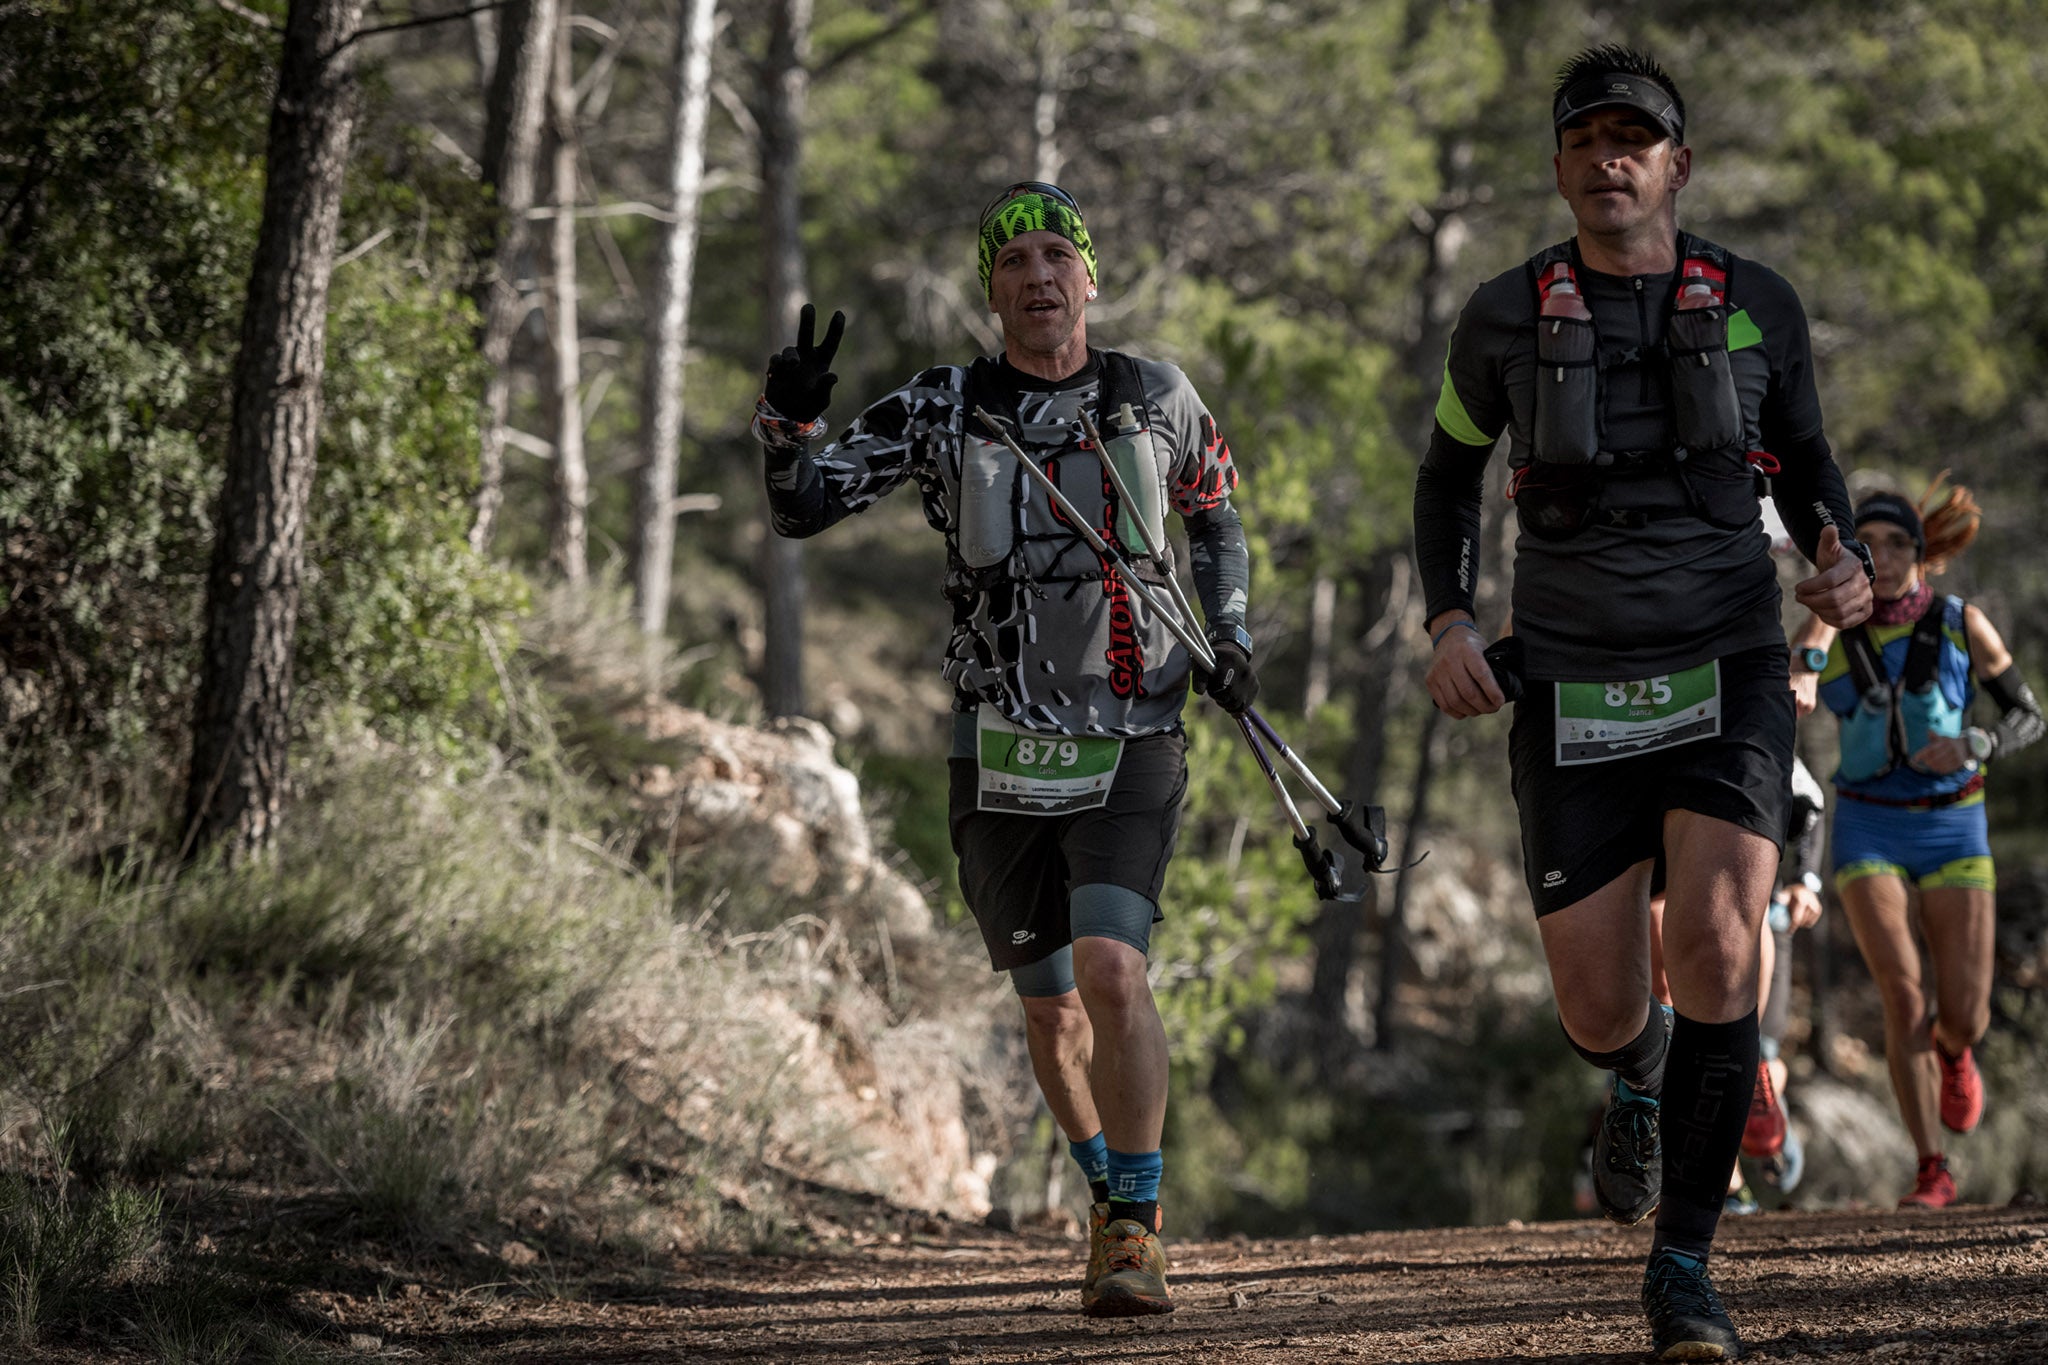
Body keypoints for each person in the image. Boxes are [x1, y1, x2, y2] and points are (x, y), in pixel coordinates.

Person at [1412, 44, 1873, 1360]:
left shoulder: (1757, 305)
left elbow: (1813, 458)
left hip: (1727, 663)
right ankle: (1643, 1066)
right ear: (1559, 168)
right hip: (1567, 681)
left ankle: (1683, 1266)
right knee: (1604, 1005)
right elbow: (1447, 480)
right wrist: (1449, 621)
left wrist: (1835, 556)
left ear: (1679, 165)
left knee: (1724, 943)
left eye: (1635, 138)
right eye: (1585, 140)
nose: (1609, 158)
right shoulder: (1503, 318)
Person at [750, 181, 1255, 1317]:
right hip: (998, 748)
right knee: (1046, 1009)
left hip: (1132, 731)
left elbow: (1217, 514)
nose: (1036, 276)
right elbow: (802, 508)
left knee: (1110, 970)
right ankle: (1104, 1193)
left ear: (1088, 277)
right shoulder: (945, 407)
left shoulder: (1153, 397)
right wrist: (786, 424)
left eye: (1053, 255)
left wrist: (1228, 637)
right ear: (990, 289)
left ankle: (1134, 1225)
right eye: (1012, 260)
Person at [1792, 477, 2043, 1208]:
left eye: (1899, 542)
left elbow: (2029, 714)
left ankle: (1958, 1051)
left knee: (1961, 1012)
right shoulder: (1838, 633)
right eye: (1868, 545)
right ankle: (1932, 1166)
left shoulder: (1964, 622)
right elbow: (1798, 672)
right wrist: (1816, 641)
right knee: (1904, 999)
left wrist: (1980, 739)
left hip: (1953, 822)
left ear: (1922, 552)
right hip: (1868, 822)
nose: (1886, 555)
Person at [1646, 753, 1827, 1216]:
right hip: (1668, 893)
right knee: (1677, 1035)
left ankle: (1764, 1089)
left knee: (1751, 1054)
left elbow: (1809, 804)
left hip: (1757, 916)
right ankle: (1726, 1185)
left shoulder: (1747, 710)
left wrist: (1805, 881)